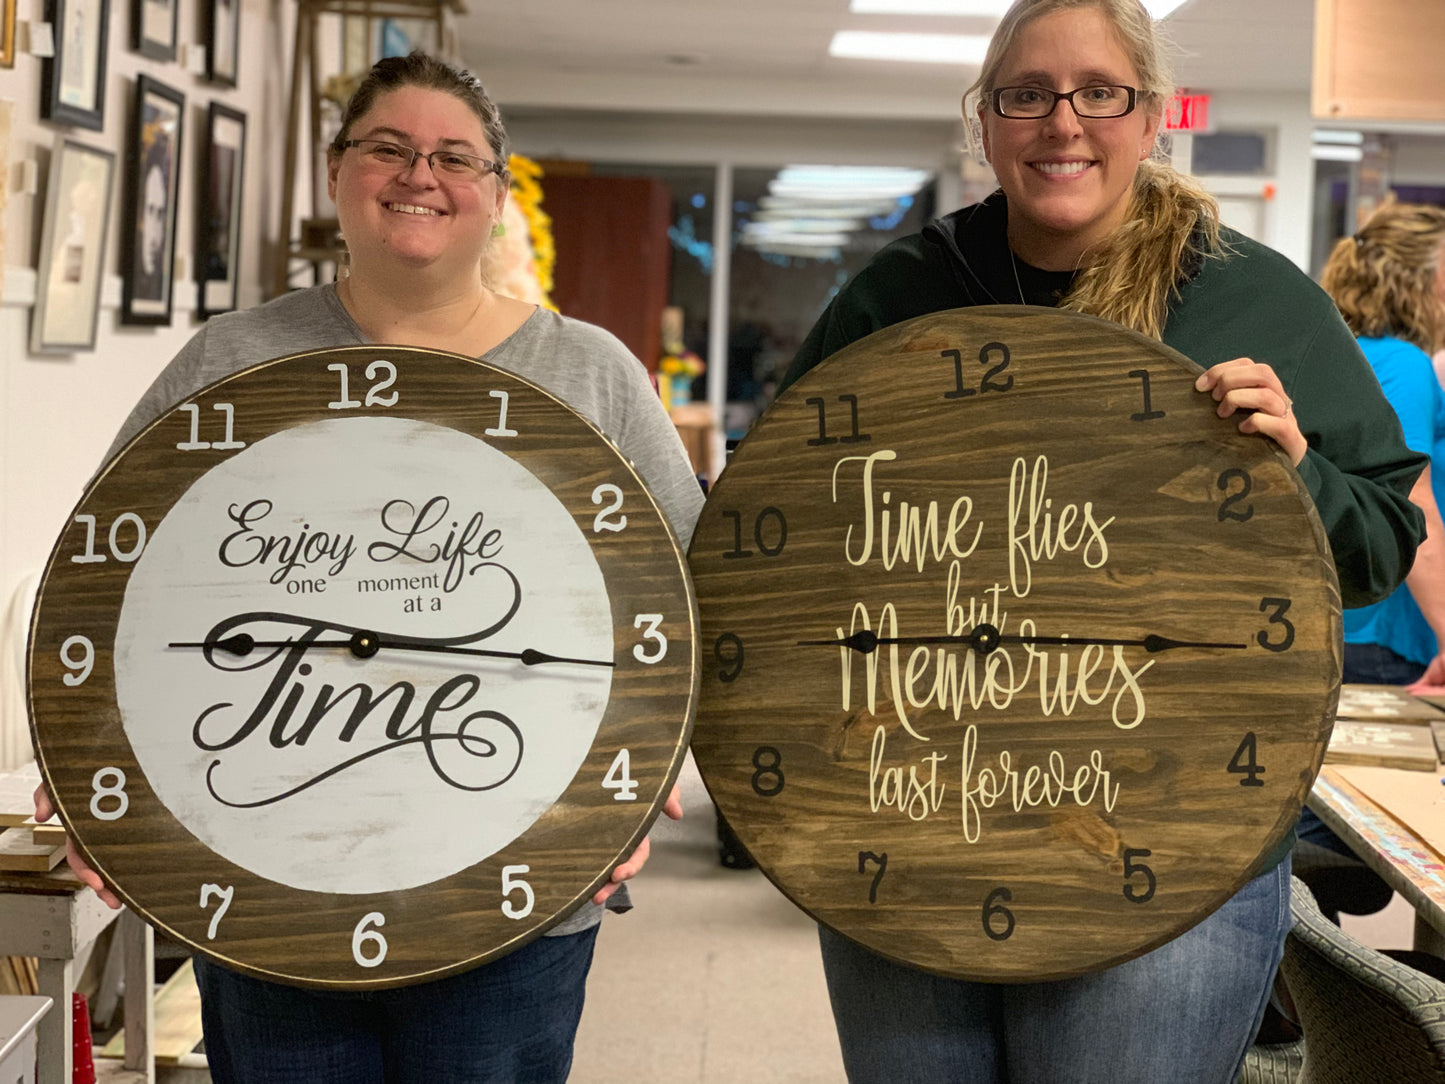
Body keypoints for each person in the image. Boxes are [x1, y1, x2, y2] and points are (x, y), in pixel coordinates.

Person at [781, 1, 1427, 1081]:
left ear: (1149, 115)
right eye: (1024, 94)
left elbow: (1377, 541)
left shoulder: (1248, 298)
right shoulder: (900, 299)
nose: (1060, 121)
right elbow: (778, 539)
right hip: (915, 819)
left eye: (1097, 92)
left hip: (1172, 834)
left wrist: (1296, 468)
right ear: (983, 123)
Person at [35, 50, 702, 1084]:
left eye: (452, 157)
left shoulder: (588, 372)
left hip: (518, 891)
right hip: (271, 884)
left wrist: (640, 781)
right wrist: (88, 778)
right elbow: (110, 571)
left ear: (493, 192)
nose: (418, 175)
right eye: (386, 148)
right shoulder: (234, 358)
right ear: (336, 171)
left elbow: (688, 599)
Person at [1322, 201, 1445, 687]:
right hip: (1381, 635)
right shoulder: (1401, 364)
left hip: (1353, 625)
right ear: (1413, 278)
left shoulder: (1349, 353)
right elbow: (1411, 503)